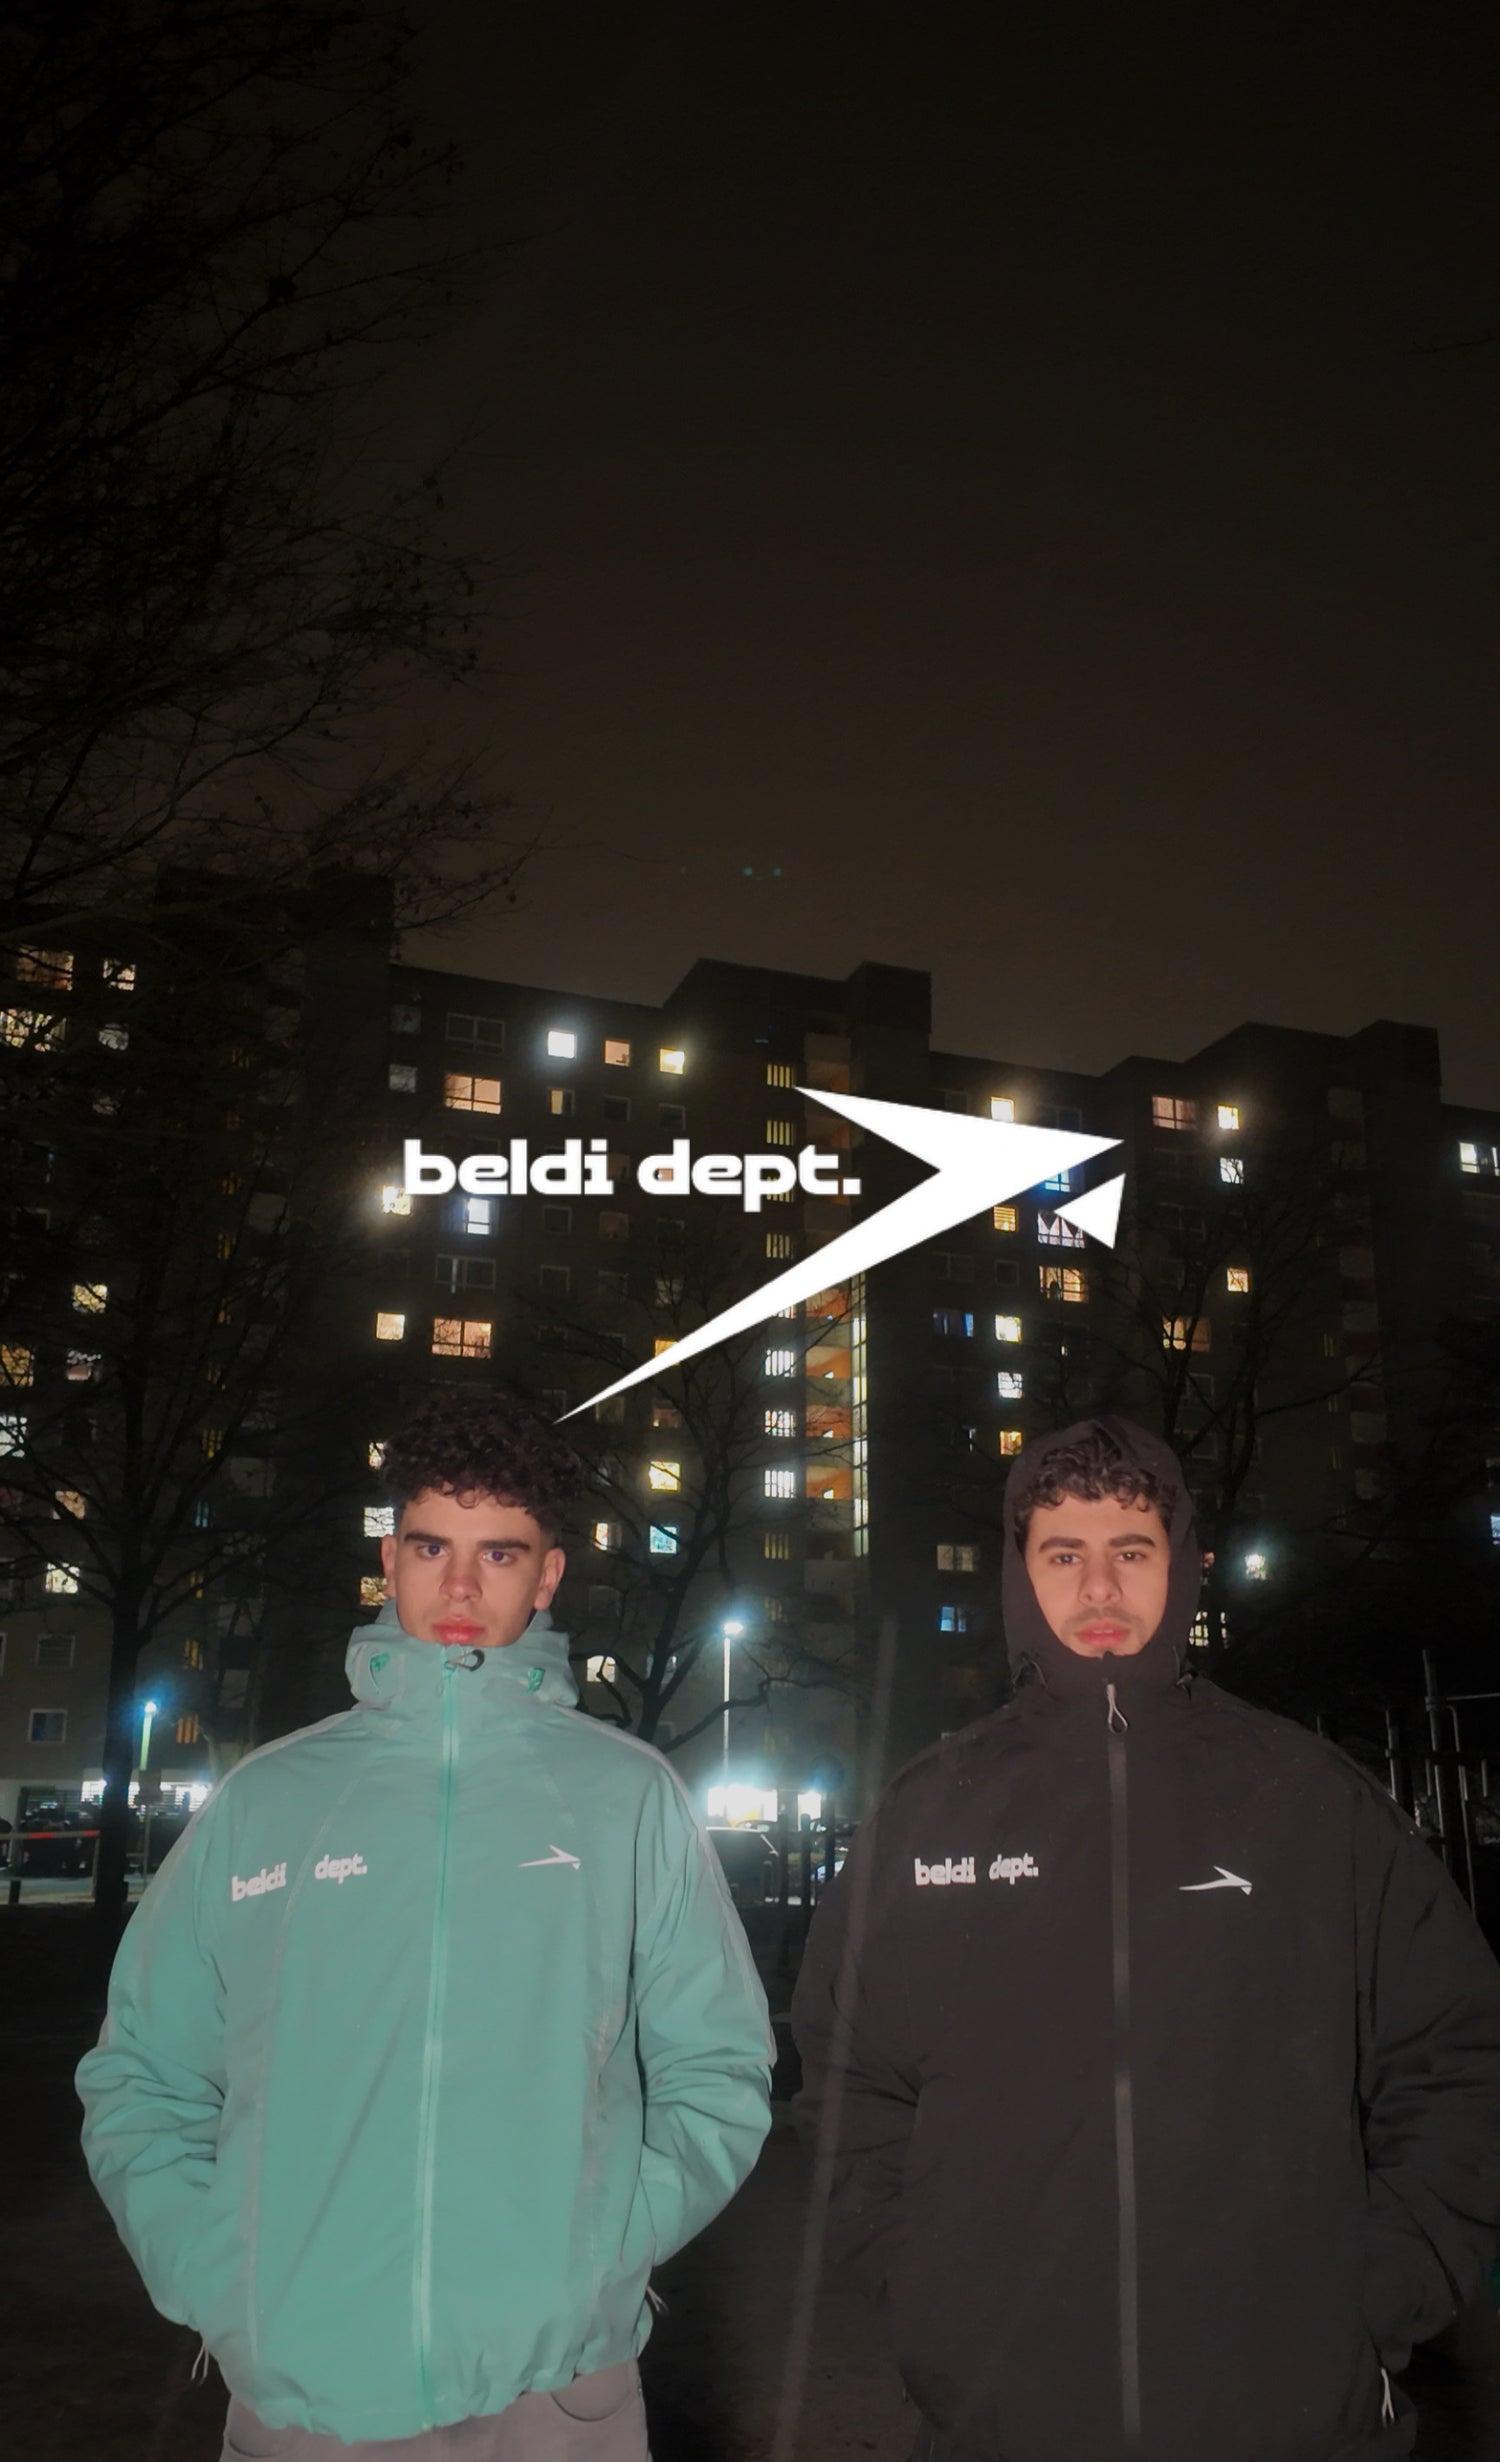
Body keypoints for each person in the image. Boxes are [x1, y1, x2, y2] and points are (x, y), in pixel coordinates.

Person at [78, 1390, 773, 2459]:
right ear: (389, 1559)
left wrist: (600, 2250)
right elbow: (143, 2071)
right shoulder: (267, 1798)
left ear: (547, 1576)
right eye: (430, 1546)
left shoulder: (628, 1796)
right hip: (304, 2395)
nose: (457, 1586)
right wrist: (220, 2276)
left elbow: (717, 2065)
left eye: (499, 1553)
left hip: (556, 2390)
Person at [792, 1414, 1500, 2462]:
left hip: (1290, 2423)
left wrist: (1373, 2291)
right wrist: (930, 2292)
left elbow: (1459, 2057)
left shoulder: (1307, 1797)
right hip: (1007, 2423)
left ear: (1183, 1565)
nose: (1099, 1588)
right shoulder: (930, 1811)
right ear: (1020, 1573)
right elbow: (849, 2080)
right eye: (1063, 1554)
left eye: (1131, 1550)